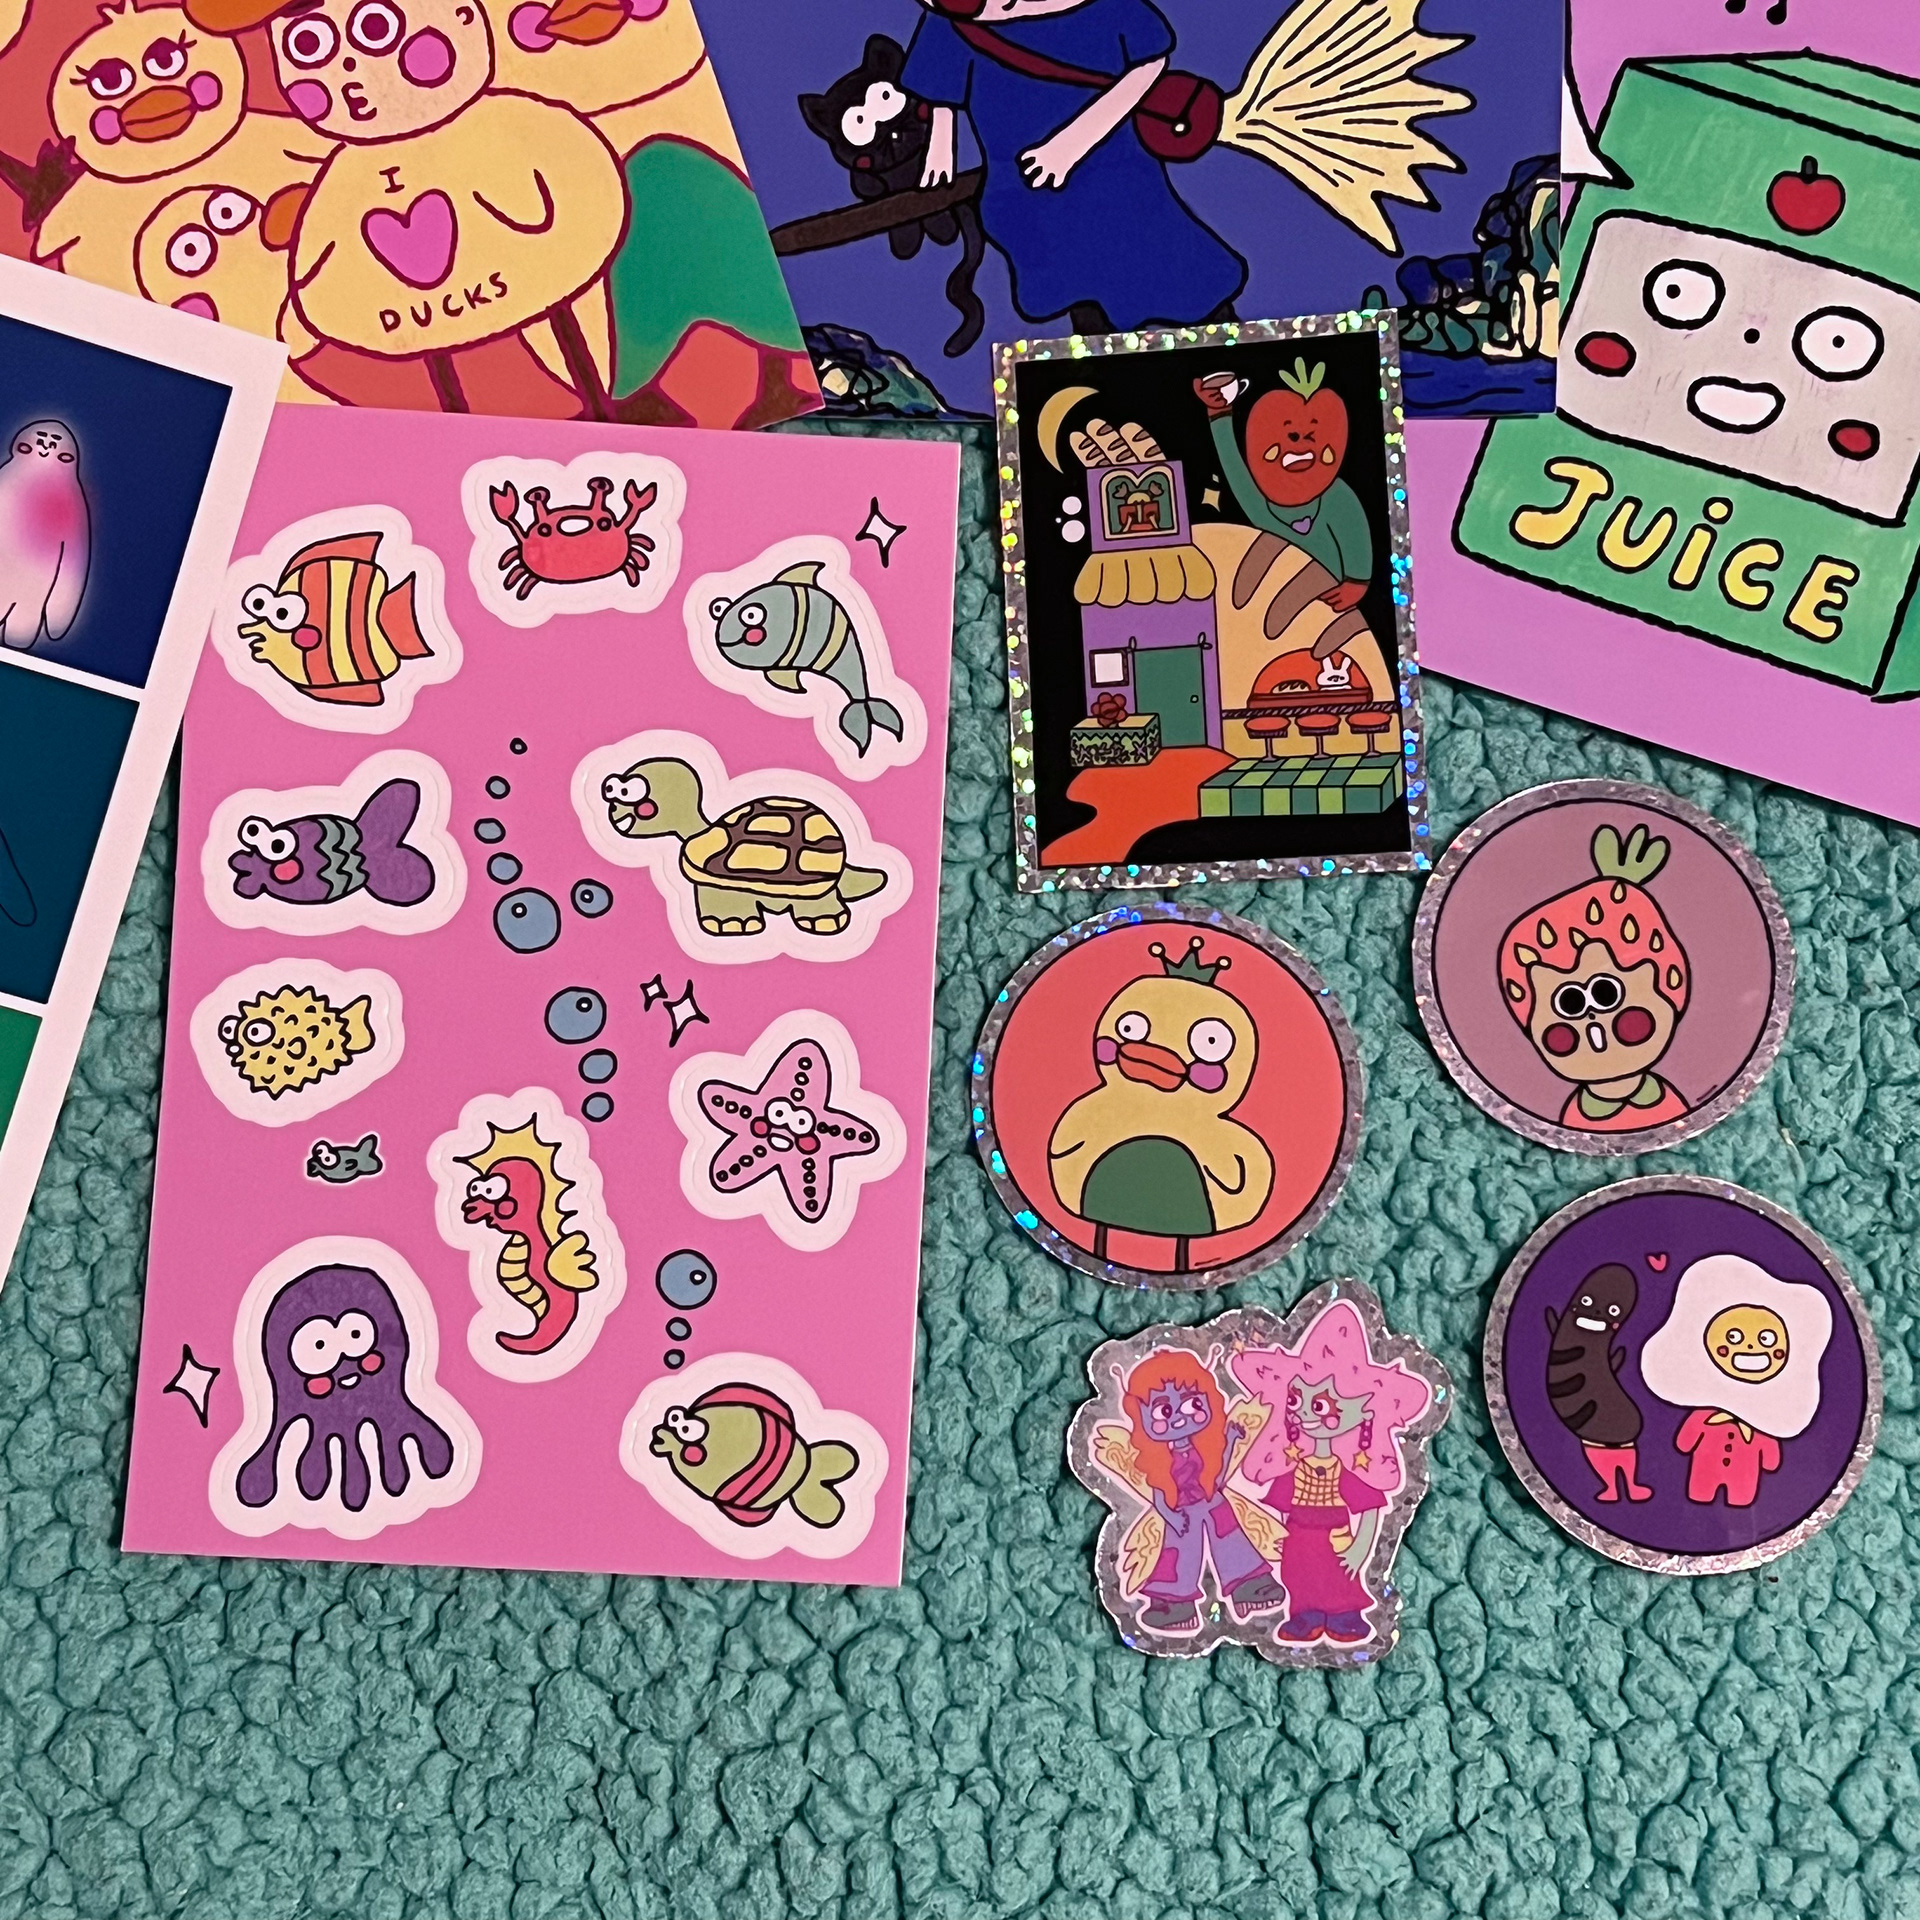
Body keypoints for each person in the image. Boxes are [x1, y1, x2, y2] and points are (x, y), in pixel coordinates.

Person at [902, 0, 1243, 335]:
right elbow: (940, 75)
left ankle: (1228, 350)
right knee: (1077, 287)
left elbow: (1149, 64)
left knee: (1165, 264)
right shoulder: (951, 19)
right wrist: (941, 144)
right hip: (1027, 191)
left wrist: (1070, 145)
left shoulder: (1111, 9)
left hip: (1116, 178)